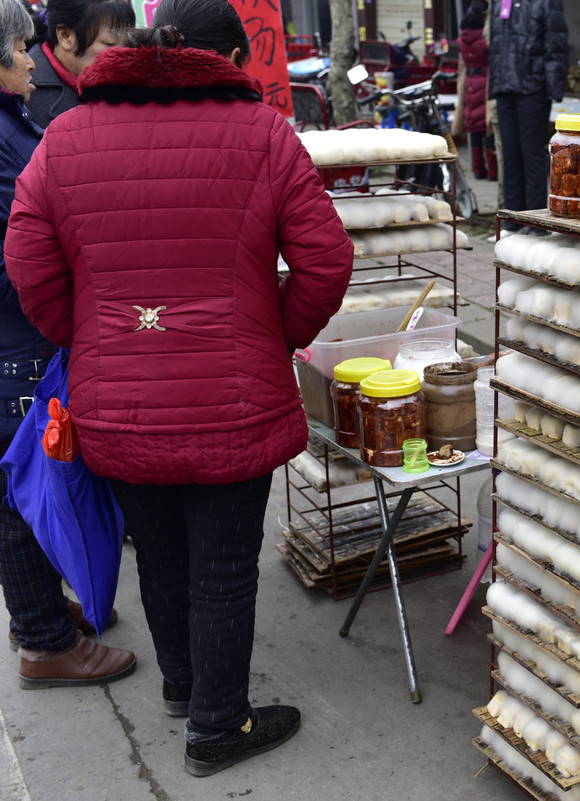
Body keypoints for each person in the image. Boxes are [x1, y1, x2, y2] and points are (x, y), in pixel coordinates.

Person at [6, 0, 354, 776]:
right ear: (225, 58)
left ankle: (182, 686)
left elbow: (27, 263)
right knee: (224, 567)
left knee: (161, 558)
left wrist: (88, 337)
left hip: (119, 402)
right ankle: (218, 724)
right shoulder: (264, 132)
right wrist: (275, 332)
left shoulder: (66, 137)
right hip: (236, 399)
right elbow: (327, 260)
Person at [0, 0, 135, 688]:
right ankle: (43, 640)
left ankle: (45, 612)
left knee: (32, 478)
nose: (28, 61)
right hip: (16, 339)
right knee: (21, 489)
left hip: (27, 333)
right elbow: (17, 252)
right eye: (17, 49)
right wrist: (70, 304)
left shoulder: (12, 119)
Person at [488, 0, 568, 231]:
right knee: (510, 156)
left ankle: (535, 222)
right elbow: (495, 45)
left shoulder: (545, 2)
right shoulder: (501, 2)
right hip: (504, 87)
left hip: (533, 88)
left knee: (531, 156)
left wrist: (553, 89)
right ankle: (513, 221)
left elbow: (557, 44)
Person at [26, 0, 135, 128]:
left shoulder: (136, 86)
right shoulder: (26, 93)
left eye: (127, 44)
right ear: (65, 36)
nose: (122, 53)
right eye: (109, 44)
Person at [452, 1, 496, 181]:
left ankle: (478, 171)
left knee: (474, 129)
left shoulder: (462, 38)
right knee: (488, 128)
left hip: (469, 84)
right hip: (485, 82)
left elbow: (461, 65)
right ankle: (493, 172)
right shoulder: (485, 35)